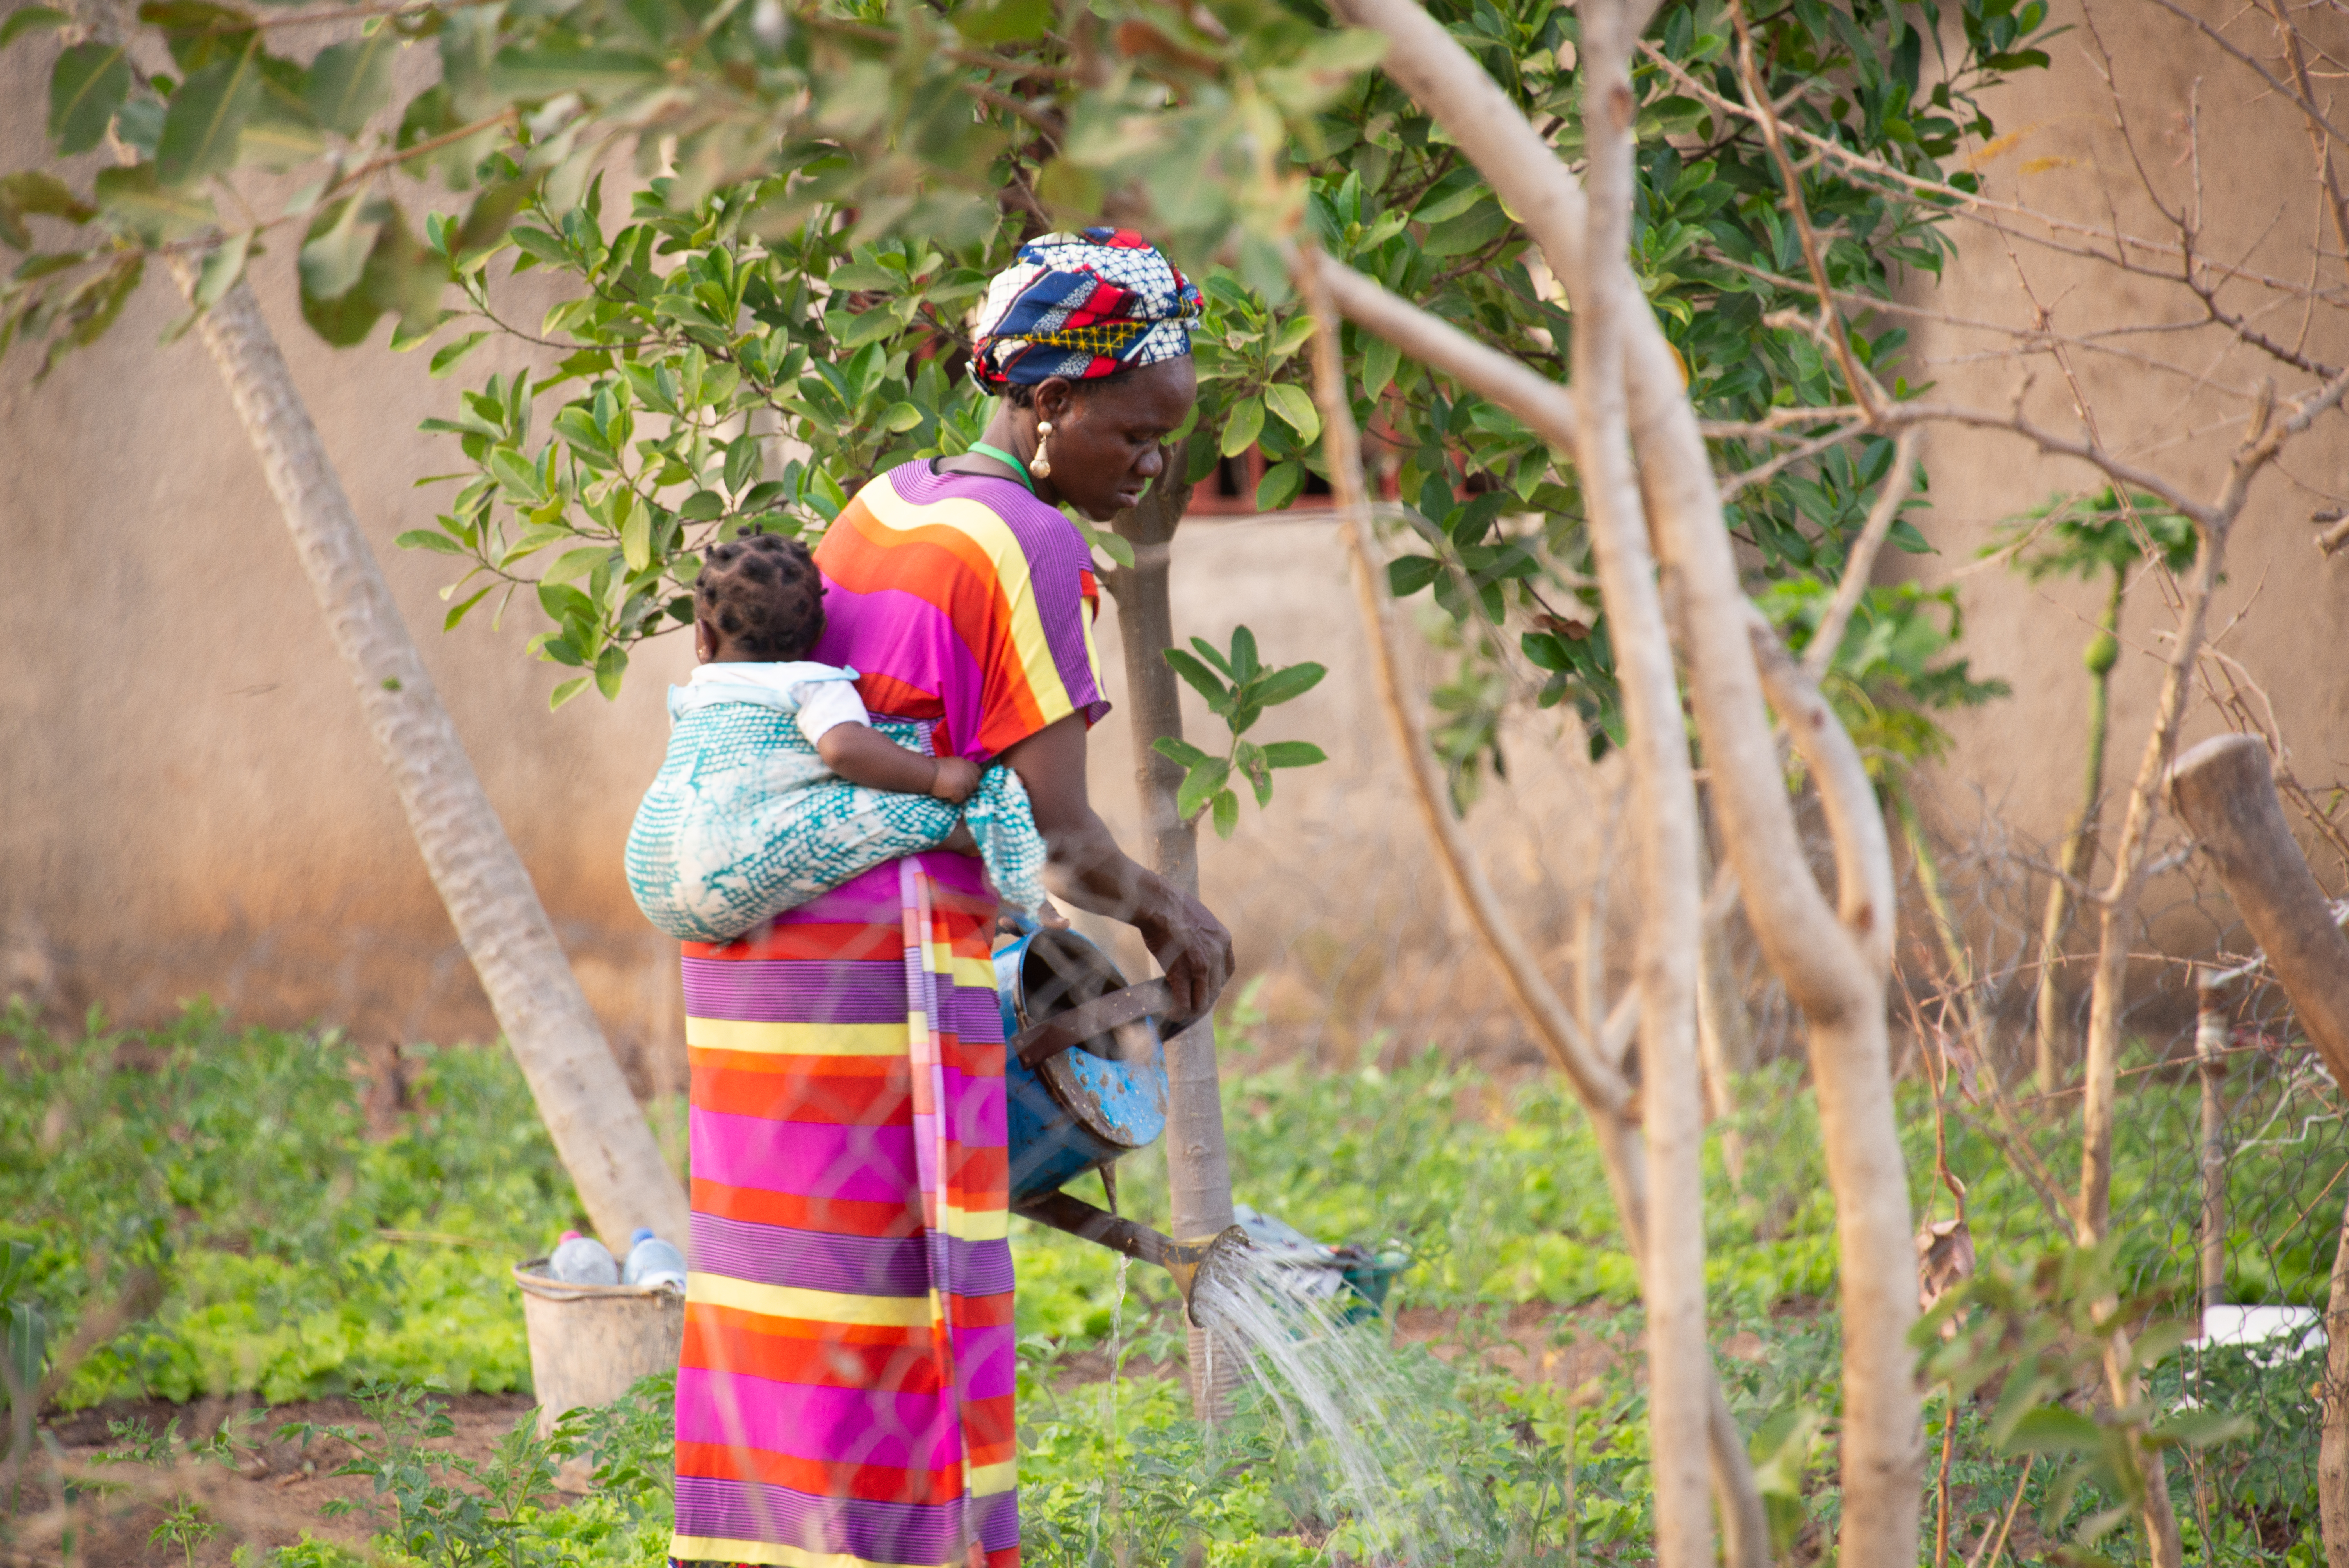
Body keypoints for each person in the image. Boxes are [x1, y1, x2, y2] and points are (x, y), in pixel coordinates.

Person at [668, 228, 1233, 1568]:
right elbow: (1057, 831)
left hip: (767, 974)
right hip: (875, 981)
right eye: (1139, 431)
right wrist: (1173, 918)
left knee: (790, 1328)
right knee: (902, 1341)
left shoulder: (887, 500)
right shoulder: (1026, 544)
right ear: (1049, 401)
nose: (1156, 462)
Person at [624, 531, 1048, 943]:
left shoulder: (697, 692)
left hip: (650, 869)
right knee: (941, 812)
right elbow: (844, 749)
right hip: (724, 868)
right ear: (821, 631)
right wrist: (935, 774)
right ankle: (999, 872)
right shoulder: (811, 682)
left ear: (704, 637)